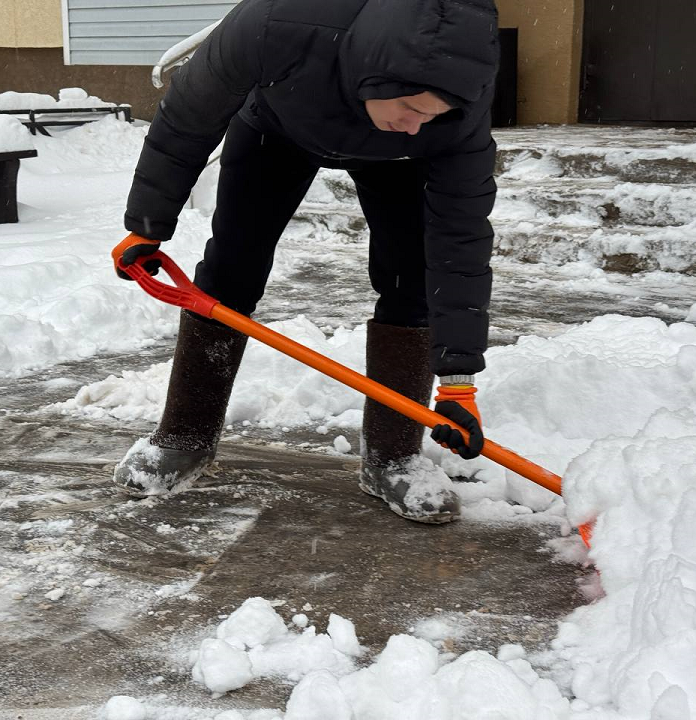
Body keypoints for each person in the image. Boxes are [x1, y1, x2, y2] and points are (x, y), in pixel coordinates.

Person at [111, 0, 499, 524]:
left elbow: (459, 245)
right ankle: (184, 436)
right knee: (231, 268)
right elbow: (188, 119)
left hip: (400, 166)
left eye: (431, 115)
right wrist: (146, 227)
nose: (416, 124)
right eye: (413, 108)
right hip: (280, 126)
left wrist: (458, 381)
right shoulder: (278, 22)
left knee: (412, 280)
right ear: (380, 75)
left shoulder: (452, 116)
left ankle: (395, 455)